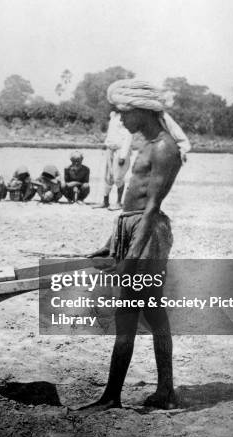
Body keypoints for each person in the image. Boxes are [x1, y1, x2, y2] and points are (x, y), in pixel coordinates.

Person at [85, 79, 183, 410]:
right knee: (148, 312)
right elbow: (132, 203)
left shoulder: (164, 148)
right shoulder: (148, 144)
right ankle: (159, 392)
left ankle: (119, 395)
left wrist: (132, 255)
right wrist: (112, 242)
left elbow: (151, 208)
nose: (121, 120)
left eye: (124, 114)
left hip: (148, 235)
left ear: (141, 111)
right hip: (134, 229)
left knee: (133, 313)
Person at [93, 110, 132, 210]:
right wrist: (106, 144)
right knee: (108, 176)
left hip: (120, 150)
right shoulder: (113, 115)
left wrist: (123, 156)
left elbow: (128, 136)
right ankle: (105, 202)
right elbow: (111, 132)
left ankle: (118, 203)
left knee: (117, 177)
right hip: (110, 149)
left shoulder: (127, 116)